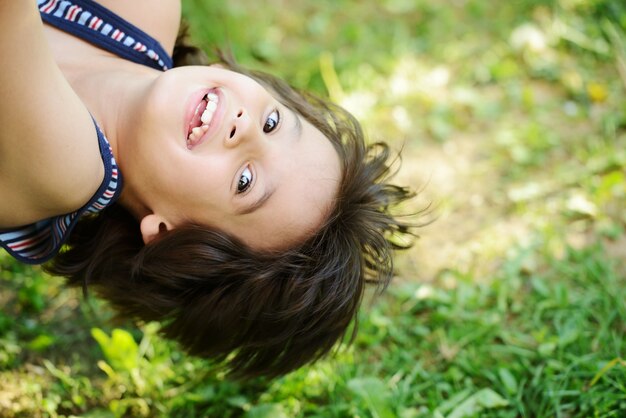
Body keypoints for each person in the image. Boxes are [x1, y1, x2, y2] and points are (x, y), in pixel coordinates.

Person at [0, 0, 417, 378]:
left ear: (170, 238)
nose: (245, 128)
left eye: (245, 182)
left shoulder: (65, 168)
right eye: (272, 122)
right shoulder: (145, 15)